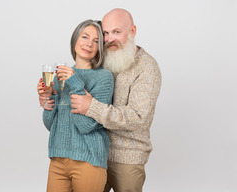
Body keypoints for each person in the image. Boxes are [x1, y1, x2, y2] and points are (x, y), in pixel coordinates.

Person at [70, 8, 162, 192]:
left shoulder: (147, 67)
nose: (110, 38)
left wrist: (92, 107)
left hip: (127, 158)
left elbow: (137, 117)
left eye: (117, 32)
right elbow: (78, 86)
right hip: (94, 152)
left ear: (133, 31)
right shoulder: (101, 59)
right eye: (105, 32)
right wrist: (50, 98)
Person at [37, 19, 114, 192]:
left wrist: (75, 83)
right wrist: (48, 98)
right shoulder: (58, 76)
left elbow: (86, 125)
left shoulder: (104, 78)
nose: (89, 44)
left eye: (96, 41)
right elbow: (52, 125)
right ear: (75, 39)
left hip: (89, 160)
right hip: (58, 158)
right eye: (85, 37)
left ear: (100, 47)